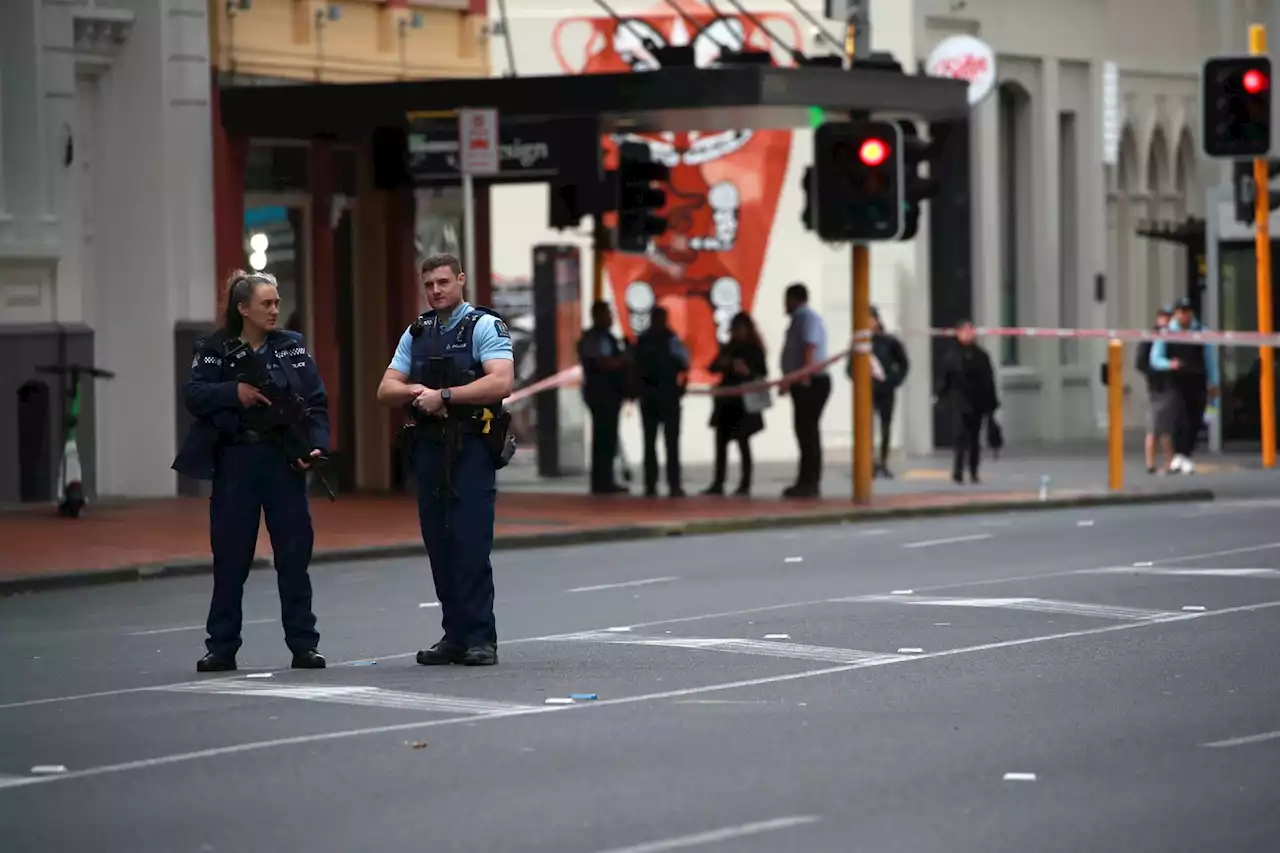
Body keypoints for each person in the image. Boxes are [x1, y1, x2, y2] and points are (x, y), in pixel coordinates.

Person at [173, 270, 329, 673]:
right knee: (230, 558)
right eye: (267, 304)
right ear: (243, 308)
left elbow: (316, 401)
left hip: (282, 460)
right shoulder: (214, 348)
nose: (275, 310)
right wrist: (234, 392)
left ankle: (303, 645)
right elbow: (194, 394)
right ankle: (221, 648)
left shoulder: (291, 346)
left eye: (277, 303)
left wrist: (315, 445)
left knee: (294, 556)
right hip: (237, 461)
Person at [376, 253, 514, 667]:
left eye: (443, 282)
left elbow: (501, 381)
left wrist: (446, 396)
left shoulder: (483, 326)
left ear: (461, 280)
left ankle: (480, 638)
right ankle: (454, 635)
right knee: (439, 543)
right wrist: (417, 391)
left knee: (470, 543)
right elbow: (386, 389)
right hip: (429, 448)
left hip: (471, 446)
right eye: (429, 284)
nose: (436, 291)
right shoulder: (418, 331)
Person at [1150, 297, 1219, 475]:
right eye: (1181, 311)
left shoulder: (1201, 332)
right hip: (1176, 382)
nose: (1185, 315)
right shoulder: (1167, 333)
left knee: (1196, 419)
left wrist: (1213, 382)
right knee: (1179, 419)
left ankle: (1183, 456)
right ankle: (1179, 455)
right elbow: (1155, 358)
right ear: (1175, 313)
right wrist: (1170, 364)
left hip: (1198, 380)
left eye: (1187, 311)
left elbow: (1210, 359)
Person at [702, 312, 768, 496]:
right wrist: (724, 363)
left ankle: (745, 483)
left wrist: (746, 370)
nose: (736, 332)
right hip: (726, 401)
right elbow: (712, 367)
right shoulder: (729, 347)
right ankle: (718, 482)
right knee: (720, 442)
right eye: (734, 329)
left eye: (739, 328)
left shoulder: (754, 349)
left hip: (743, 403)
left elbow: (761, 372)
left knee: (743, 442)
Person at [778, 283, 831, 498]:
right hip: (803, 380)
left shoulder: (807, 318)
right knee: (803, 432)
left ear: (795, 299)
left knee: (808, 432)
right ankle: (804, 480)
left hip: (812, 381)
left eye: (787, 300)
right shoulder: (798, 320)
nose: (784, 305)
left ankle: (810, 482)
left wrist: (804, 376)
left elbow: (810, 346)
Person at [632, 305, 690, 497]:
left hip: (656, 396)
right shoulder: (669, 339)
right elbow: (684, 363)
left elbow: (684, 364)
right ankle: (669, 485)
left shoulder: (648, 340)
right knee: (665, 443)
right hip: (664, 396)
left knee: (656, 443)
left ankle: (655, 485)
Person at [847, 306, 910, 478]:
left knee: (885, 426)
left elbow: (904, 363)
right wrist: (859, 382)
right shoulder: (859, 342)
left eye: (870, 319)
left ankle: (883, 462)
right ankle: (868, 462)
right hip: (866, 392)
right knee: (866, 428)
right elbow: (850, 368)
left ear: (876, 319)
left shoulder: (889, 341)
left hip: (886, 390)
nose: (867, 323)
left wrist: (894, 380)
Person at [936, 320, 998, 484]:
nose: (969, 334)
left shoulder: (981, 355)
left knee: (975, 439)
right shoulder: (951, 355)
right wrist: (941, 396)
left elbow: (988, 380)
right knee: (959, 436)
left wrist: (991, 404)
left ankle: (973, 470)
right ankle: (957, 470)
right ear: (957, 333)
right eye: (965, 331)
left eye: (971, 331)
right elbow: (944, 379)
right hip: (959, 401)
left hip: (977, 402)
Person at [578, 301, 631, 494]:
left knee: (608, 438)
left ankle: (606, 479)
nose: (611, 318)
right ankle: (601, 481)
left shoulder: (607, 338)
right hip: (601, 394)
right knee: (603, 438)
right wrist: (623, 360)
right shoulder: (594, 339)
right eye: (607, 314)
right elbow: (603, 364)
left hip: (609, 393)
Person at [1136, 307, 1176, 474]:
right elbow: (1140, 362)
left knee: (1165, 426)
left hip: (1170, 385)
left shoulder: (1175, 336)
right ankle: (1152, 463)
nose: (1165, 320)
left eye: (1168, 317)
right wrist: (1155, 374)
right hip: (1156, 386)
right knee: (1155, 425)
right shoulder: (1151, 337)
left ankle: (1167, 462)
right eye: (1163, 317)